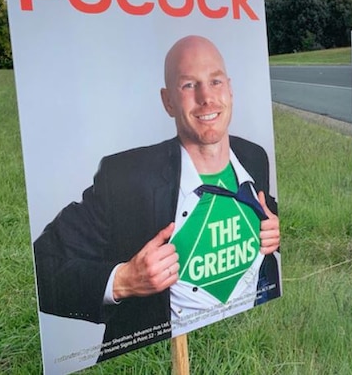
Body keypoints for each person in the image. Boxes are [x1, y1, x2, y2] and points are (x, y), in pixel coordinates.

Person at [33, 35, 281, 361]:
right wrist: (121, 281)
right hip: (162, 353)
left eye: (215, 81)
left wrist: (276, 228)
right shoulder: (125, 178)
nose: (206, 97)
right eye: (189, 85)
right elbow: (41, 268)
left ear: (230, 89)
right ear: (168, 102)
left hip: (253, 338)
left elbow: (263, 208)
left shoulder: (253, 156)